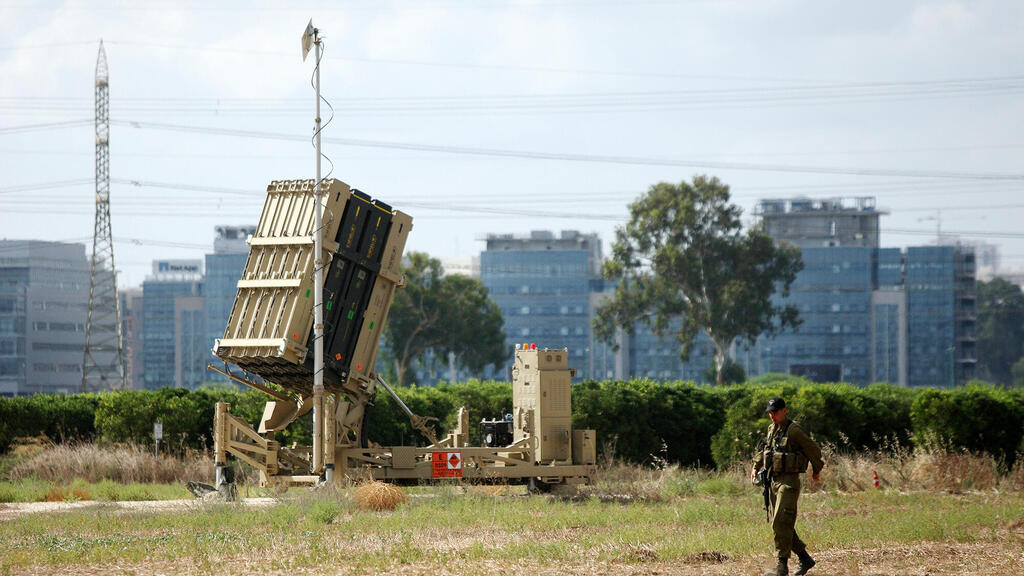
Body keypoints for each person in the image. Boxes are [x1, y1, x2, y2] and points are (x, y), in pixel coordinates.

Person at [750, 397, 824, 576]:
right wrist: (755, 466)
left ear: (784, 411)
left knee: (780, 521)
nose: (772, 415)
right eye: (770, 413)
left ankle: (781, 566)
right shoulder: (772, 429)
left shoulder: (794, 430)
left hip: (789, 482)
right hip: (773, 481)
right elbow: (766, 449)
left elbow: (812, 448)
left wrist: (816, 469)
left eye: (775, 412)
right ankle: (805, 558)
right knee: (784, 523)